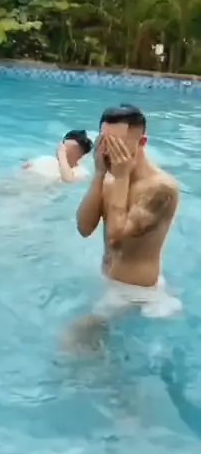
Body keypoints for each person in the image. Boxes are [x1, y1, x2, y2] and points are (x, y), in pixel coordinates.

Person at [74, 103, 182, 329]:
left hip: (136, 291)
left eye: (118, 144)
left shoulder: (160, 188)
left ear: (142, 142)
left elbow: (116, 236)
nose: (109, 151)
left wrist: (121, 177)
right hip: (109, 279)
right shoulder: (110, 180)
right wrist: (99, 174)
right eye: (105, 143)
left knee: (78, 334)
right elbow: (84, 228)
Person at [22, 130, 93, 183]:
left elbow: (68, 180)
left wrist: (62, 155)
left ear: (80, 155)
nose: (62, 150)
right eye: (63, 147)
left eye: (68, 149)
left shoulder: (81, 172)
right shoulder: (45, 159)